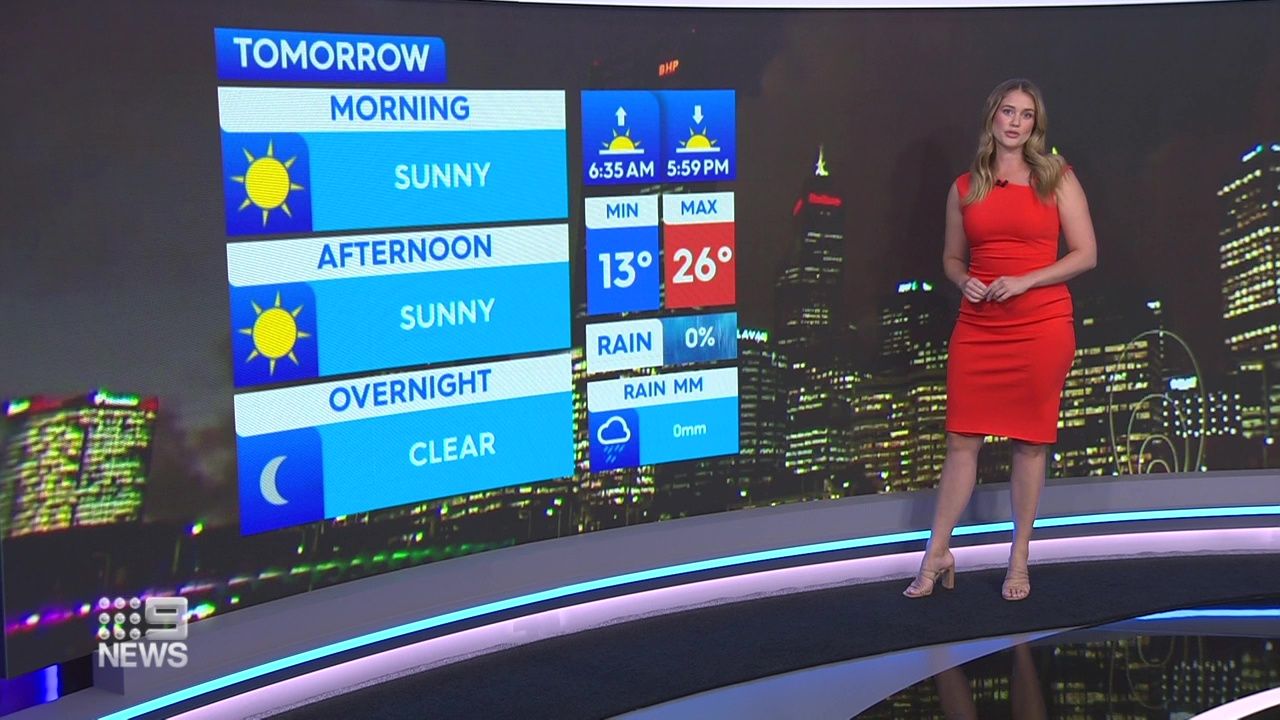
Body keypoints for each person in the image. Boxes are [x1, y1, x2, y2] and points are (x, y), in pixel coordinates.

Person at [903, 78, 1098, 601]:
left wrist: (1027, 280)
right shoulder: (965, 187)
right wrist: (962, 278)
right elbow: (951, 258)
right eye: (1008, 111)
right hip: (979, 326)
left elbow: (1086, 253)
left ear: (1036, 125)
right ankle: (937, 554)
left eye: (1026, 114)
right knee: (961, 441)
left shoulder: (1056, 176)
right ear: (992, 116)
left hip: (1041, 325)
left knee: (1030, 444)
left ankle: (1019, 559)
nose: (1016, 122)